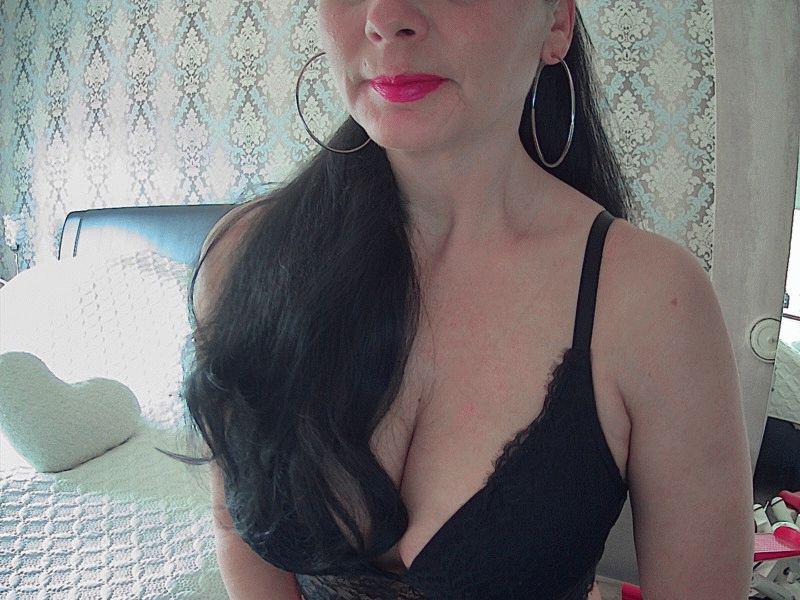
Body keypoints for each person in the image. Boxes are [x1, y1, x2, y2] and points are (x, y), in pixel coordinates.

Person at [161, 1, 754, 598]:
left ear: (555, 23)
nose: (386, 16)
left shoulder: (653, 301)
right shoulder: (242, 258)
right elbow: (236, 529)